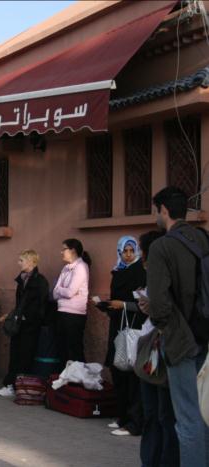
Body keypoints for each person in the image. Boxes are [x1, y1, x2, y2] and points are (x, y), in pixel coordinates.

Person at [146, 186, 209, 467]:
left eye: (156, 210)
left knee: (187, 417)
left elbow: (159, 303)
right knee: (202, 412)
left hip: (181, 339)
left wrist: (165, 327)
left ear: (164, 210)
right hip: (205, 335)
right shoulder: (204, 239)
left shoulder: (162, 246)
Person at [136, 230, 179, 467]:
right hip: (151, 349)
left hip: (166, 348)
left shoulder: (172, 274)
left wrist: (152, 307)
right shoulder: (154, 274)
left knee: (164, 416)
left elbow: (166, 310)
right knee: (153, 414)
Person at [101, 236, 146, 437]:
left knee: (131, 372)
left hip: (134, 328)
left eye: (131, 250)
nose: (128, 254)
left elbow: (144, 303)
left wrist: (123, 305)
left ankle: (134, 422)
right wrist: (108, 306)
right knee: (118, 369)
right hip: (118, 324)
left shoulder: (140, 273)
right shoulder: (118, 271)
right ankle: (122, 417)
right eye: (124, 251)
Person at [0, 250, 49, 397]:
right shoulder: (22, 280)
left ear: (31, 262)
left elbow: (40, 305)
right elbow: (20, 303)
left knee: (25, 356)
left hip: (30, 325)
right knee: (15, 354)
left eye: (22, 260)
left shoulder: (40, 281)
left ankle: (20, 386)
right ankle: (11, 384)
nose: (19, 263)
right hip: (19, 324)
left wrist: (28, 317)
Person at [53, 238, 91, 364]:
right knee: (61, 349)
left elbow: (70, 292)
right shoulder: (65, 269)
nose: (61, 252)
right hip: (61, 312)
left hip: (75, 315)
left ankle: (78, 380)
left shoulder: (81, 267)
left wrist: (60, 290)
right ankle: (65, 379)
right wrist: (60, 290)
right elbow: (54, 293)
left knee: (74, 350)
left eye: (64, 249)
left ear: (73, 250)